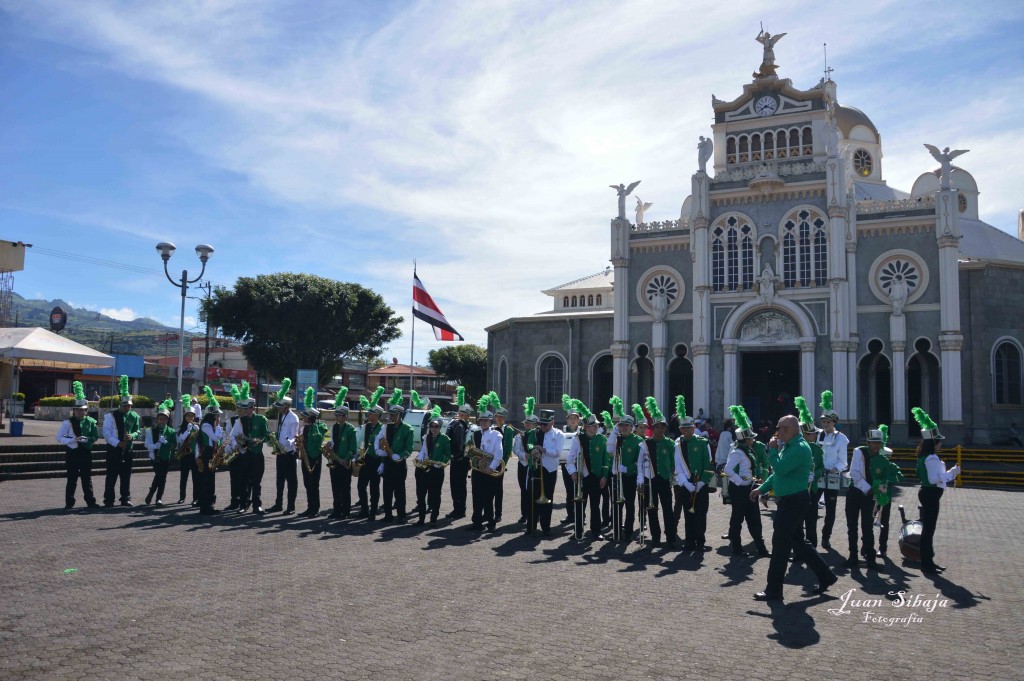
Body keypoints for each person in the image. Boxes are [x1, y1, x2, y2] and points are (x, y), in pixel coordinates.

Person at [751, 416, 837, 602]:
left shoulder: (799, 448)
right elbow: (778, 476)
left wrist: (772, 451)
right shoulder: (791, 446)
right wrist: (762, 489)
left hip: (794, 501)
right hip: (790, 500)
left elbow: (780, 469)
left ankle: (773, 590)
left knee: (780, 545)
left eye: (780, 429)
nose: (777, 432)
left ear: (789, 429)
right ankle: (826, 576)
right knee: (798, 542)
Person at [638, 397, 691, 548]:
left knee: (668, 509)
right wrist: (640, 480)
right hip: (650, 479)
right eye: (657, 427)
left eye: (662, 427)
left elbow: (675, 463)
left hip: (665, 479)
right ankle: (656, 536)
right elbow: (640, 464)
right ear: (653, 428)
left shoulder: (670, 444)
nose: (659, 429)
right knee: (652, 508)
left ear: (665, 428)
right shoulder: (645, 444)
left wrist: (676, 478)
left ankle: (671, 537)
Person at [913, 407, 960, 573]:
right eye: (939, 441)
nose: (941, 444)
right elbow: (934, 479)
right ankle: (926, 563)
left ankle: (928, 561)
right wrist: (952, 473)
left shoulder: (923, 457)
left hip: (928, 493)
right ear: (933, 443)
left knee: (928, 528)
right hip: (930, 493)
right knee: (928, 530)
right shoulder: (931, 458)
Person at [725, 406, 769, 556]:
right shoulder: (737, 452)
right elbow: (728, 470)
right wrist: (741, 481)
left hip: (749, 487)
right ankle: (736, 548)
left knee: (754, 518)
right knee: (738, 518)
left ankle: (761, 549)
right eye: (750, 437)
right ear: (745, 439)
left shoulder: (749, 450)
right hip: (740, 489)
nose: (753, 439)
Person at [566, 403, 610, 542]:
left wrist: (604, 476)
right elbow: (570, 459)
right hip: (581, 477)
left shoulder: (602, 439)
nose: (596, 427)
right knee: (579, 505)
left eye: (596, 425)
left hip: (596, 477)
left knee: (595, 505)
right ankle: (578, 531)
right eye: (593, 425)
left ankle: (596, 532)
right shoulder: (578, 439)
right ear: (586, 427)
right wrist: (573, 473)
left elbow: (605, 460)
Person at [674, 396, 713, 551]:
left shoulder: (703, 443)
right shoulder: (678, 445)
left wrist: (702, 483)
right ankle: (689, 541)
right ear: (680, 430)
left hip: (701, 484)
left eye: (689, 428)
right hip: (687, 484)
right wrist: (686, 484)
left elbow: (709, 464)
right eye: (683, 428)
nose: (686, 430)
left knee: (701, 514)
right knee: (688, 515)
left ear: (693, 428)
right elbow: (677, 467)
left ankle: (700, 541)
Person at [55, 381, 100, 509]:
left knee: (87, 479)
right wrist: (73, 439)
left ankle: (90, 502)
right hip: (72, 453)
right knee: (72, 479)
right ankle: (69, 503)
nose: (80, 412)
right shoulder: (67, 422)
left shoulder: (91, 422)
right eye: (77, 410)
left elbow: (95, 437)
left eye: (82, 410)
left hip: (85, 452)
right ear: (74, 410)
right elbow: (58, 437)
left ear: (86, 411)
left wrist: (88, 440)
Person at [607, 405, 647, 542]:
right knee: (617, 505)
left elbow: (640, 462)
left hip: (630, 477)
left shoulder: (639, 441)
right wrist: (613, 432)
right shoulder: (617, 438)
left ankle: (628, 532)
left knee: (629, 505)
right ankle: (616, 531)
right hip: (617, 477)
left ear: (632, 427)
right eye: (621, 425)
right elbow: (609, 449)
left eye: (626, 426)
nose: (623, 428)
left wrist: (627, 468)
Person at [845, 429, 883, 571]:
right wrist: (869, 488)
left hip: (869, 496)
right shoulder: (859, 452)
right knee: (852, 526)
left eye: (878, 443)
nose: (876, 446)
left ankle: (870, 559)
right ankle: (852, 556)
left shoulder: (882, 456)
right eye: (873, 443)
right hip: (855, 492)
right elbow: (854, 473)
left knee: (867, 527)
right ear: (868, 443)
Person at [229, 382, 269, 514]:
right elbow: (232, 436)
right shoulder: (240, 421)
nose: (245, 411)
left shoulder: (261, 419)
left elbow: (266, 436)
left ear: (253, 407)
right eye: (244, 408)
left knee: (256, 482)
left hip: (257, 454)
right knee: (244, 481)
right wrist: (236, 446)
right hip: (245, 454)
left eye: (247, 408)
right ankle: (243, 505)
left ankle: (256, 506)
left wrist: (260, 441)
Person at [816, 390, 848, 550]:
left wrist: (835, 469)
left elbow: (844, 462)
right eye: (823, 422)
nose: (825, 425)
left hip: (832, 476)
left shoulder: (841, 439)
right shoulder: (817, 435)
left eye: (828, 422)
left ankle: (826, 537)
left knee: (831, 508)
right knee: (810, 505)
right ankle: (811, 537)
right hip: (817, 475)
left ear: (834, 423)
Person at [102, 375, 141, 507]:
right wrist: (118, 442)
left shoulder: (134, 416)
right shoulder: (110, 415)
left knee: (126, 476)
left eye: (129, 406)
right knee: (111, 475)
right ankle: (108, 499)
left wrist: (133, 436)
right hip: (114, 449)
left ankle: (125, 498)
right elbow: (106, 433)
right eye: (125, 406)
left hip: (128, 449)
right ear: (120, 405)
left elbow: (138, 431)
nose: (127, 408)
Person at [376, 390, 414, 522]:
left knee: (399, 492)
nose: (391, 417)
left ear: (399, 415)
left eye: (393, 415)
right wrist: (382, 459)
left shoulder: (407, 429)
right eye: (390, 415)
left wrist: (400, 456)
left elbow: (409, 449)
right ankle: (388, 515)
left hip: (399, 464)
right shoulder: (387, 428)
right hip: (388, 462)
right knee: (387, 490)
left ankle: (402, 515)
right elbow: (382, 443)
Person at [525, 409, 564, 536]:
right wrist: (533, 450)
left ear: (552, 422)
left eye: (545, 424)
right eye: (540, 424)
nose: (542, 427)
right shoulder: (534, 432)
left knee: (548, 499)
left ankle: (545, 527)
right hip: (536, 469)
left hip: (549, 471)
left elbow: (557, 453)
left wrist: (543, 449)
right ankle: (531, 526)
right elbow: (530, 444)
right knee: (532, 498)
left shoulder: (559, 434)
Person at [794, 396, 824, 549]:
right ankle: (799, 551)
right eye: (813, 434)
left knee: (811, 522)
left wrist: (815, 475)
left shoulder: (818, 450)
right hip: (798, 489)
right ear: (805, 435)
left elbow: (821, 468)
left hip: (812, 490)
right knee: (797, 523)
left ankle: (812, 551)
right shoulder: (796, 448)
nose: (815, 435)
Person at [467, 400, 502, 532]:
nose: (483, 423)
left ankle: (491, 523)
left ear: (490, 421)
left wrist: (491, 468)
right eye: (481, 421)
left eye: (486, 421)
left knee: (488, 498)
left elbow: (499, 454)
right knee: (476, 497)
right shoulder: (475, 433)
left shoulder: (496, 434)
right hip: (478, 470)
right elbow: (472, 450)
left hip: (488, 470)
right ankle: (477, 523)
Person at [871, 424, 903, 557]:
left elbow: (898, 476)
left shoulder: (891, 466)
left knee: (884, 522)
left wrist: (887, 481)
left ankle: (882, 547)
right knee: (868, 521)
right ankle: (868, 546)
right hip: (871, 494)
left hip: (885, 496)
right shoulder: (872, 463)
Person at [268, 379, 300, 515]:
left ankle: (291, 506)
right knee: (279, 480)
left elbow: (294, 436)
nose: (279, 408)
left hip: (289, 453)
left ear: (287, 406)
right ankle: (278, 504)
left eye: (281, 406)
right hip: (280, 452)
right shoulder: (281, 416)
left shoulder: (293, 418)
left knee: (291, 481)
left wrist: (288, 441)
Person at [415, 409, 451, 526]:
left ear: (440, 427)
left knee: (435, 495)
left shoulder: (444, 439)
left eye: (436, 426)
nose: (433, 429)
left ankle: (433, 518)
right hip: (425, 468)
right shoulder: (426, 437)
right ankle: (421, 519)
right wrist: (420, 458)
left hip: (436, 470)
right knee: (421, 494)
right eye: (432, 426)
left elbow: (448, 455)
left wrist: (440, 463)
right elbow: (422, 451)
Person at [356, 387, 386, 520]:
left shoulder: (383, 428)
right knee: (361, 485)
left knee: (374, 487)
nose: (369, 415)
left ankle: (373, 511)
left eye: (371, 414)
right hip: (366, 459)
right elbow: (360, 441)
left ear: (377, 415)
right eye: (369, 413)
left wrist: (383, 463)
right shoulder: (366, 426)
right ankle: (364, 509)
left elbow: (385, 447)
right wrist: (358, 455)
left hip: (376, 460)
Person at [327, 388, 357, 519]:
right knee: (335, 487)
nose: (336, 417)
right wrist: (329, 446)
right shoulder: (334, 427)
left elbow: (353, 448)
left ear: (345, 416)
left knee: (345, 488)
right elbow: (333, 441)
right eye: (336, 415)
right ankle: (336, 510)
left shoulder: (350, 429)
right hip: (335, 461)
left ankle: (345, 511)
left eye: (338, 415)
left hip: (345, 463)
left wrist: (346, 459)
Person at [297, 388, 327, 518]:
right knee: (307, 484)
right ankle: (310, 507)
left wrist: (314, 426)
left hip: (314, 458)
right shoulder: (305, 427)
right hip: (305, 457)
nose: (302, 417)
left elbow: (318, 439)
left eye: (305, 415)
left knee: (314, 484)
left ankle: (315, 508)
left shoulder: (318, 427)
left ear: (310, 417)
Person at [446, 387, 473, 520]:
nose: (463, 416)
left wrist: (454, 455)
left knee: (458, 486)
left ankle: (459, 510)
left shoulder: (460, 426)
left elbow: (460, 443)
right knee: (457, 486)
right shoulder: (461, 425)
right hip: (460, 459)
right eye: (462, 414)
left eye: (465, 414)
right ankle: (458, 508)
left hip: (459, 460)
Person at [196, 387, 224, 515]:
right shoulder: (207, 425)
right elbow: (215, 437)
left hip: (211, 453)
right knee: (207, 480)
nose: (219, 417)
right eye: (218, 415)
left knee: (210, 479)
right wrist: (218, 427)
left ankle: (209, 504)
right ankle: (205, 506)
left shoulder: (211, 425)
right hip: (206, 453)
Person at [144, 399, 177, 506]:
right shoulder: (152, 430)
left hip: (165, 457)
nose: (162, 420)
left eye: (164, 419)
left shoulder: (171, 432)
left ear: (167, 420)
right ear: (157, 419)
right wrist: (154, 446)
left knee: (162, 478)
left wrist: (166, 442)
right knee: (159, 476)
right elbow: (147, 444)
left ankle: (155, 496)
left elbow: (174, 445)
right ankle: (154, 495)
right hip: (155, 457)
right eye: (160, 418)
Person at [491, 396, 516, 524]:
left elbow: (507, 449)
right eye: (497, 417)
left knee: (498, 490)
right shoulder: (492, 429)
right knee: (489, 490)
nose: (499, 419)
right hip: (489, 464)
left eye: (501, 417)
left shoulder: (508, 430)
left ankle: (498, 513)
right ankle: (488, 513)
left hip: (500, 464)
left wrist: (502, 463)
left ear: (504, 418)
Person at [514, 398, 539, 524]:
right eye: (526, 423)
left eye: (530, 423)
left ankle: (534, 514)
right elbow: (515, 450)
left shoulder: (537, 436)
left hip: (534, 466)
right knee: (524, 490)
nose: (527, 425)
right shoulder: (520, 436)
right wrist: (524, 455)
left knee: (534, 490)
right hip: (523, 465)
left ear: (535, 424)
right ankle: (525, 514)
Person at [560, 395, 581, 525]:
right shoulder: (561, 431)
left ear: (578, 420)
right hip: (566, 465)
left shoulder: (582, 431)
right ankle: (570, 515)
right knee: (569, 490)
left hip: (580, 464)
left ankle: (580, 516)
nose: (573, 421)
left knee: (579, 490)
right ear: (567, 420)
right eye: (571, 418)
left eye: (575, 418)